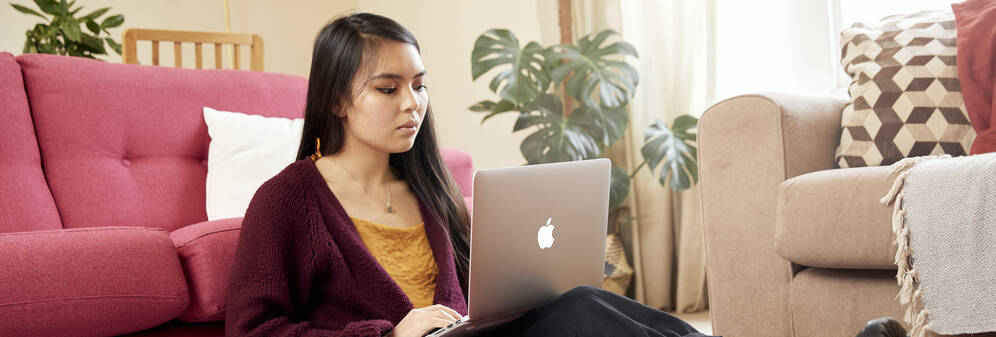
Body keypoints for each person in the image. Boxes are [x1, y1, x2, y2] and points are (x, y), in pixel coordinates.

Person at [224, 11, 717, 337]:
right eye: (387, 89)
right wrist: (388, 334)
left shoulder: (430, 189)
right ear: (336, 100)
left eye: (419, 85)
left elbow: (478, 297)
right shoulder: (288, 200)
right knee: (579, 314)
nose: (412, 104)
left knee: (581, 301)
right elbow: (251, 330)